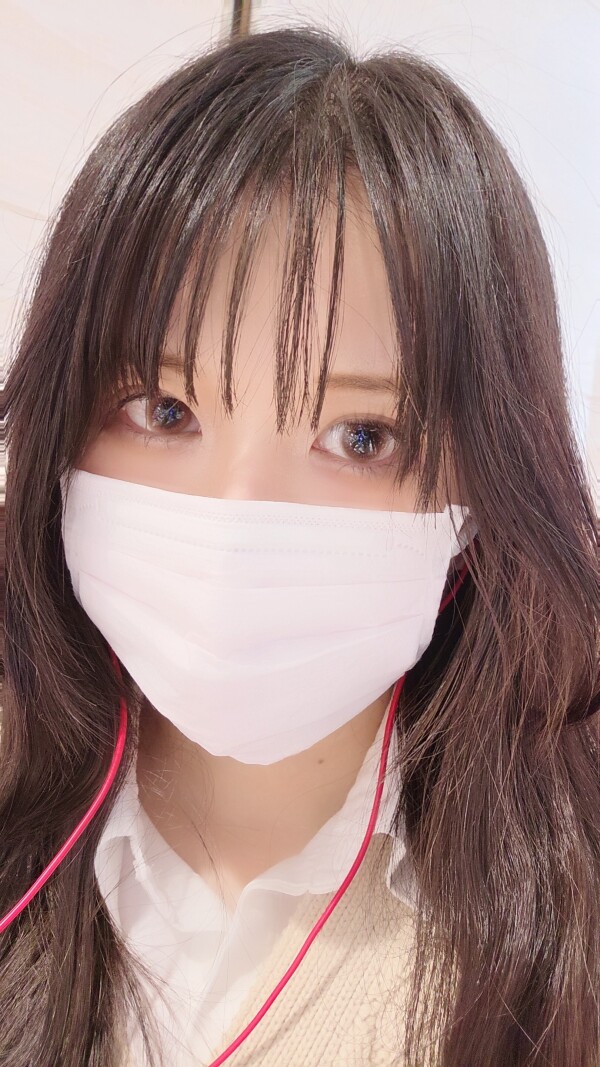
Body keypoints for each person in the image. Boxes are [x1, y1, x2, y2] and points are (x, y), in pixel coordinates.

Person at [1, 22, 598, 1067]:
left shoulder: (564, 918)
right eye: (165, 409)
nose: (239, 517)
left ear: (483, 488)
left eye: (361, 436)